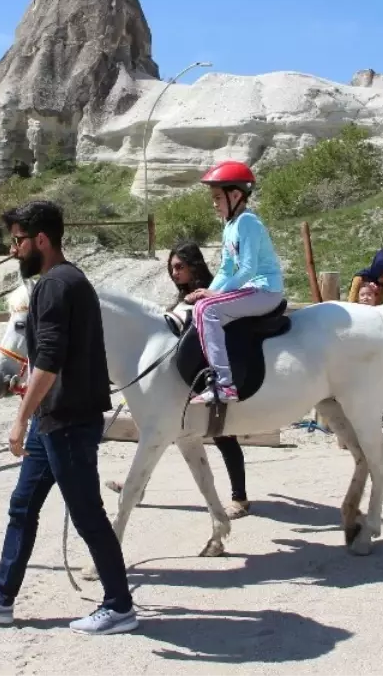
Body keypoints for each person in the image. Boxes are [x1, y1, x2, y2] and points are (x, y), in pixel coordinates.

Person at [0, 200, 137, 635]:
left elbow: (49, 361)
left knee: (87, 512)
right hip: (53, 420)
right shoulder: (69, 282)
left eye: (18, 241)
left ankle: (119, 606)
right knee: (23, 505)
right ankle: (1, 598)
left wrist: (20, 417)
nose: (13, 250)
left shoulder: (55, 286)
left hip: (67, 419)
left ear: (41, 240)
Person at [105, 241, 252, 518]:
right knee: (156, 433)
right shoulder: (184, 296)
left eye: (179, 267)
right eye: (171, 268)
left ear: (194, 266)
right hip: (182, 377)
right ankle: (139, 486)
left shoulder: (209, 292)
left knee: (225, 437)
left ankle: (240, 498)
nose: (174, 273)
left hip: (208, 372)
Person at [185, 161, 286, 404]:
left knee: (207, 309)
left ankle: (224, 384)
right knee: (202, 305)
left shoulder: (247, 223)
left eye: (218, 198)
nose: (214, 203)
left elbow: (248, 269)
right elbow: (226, 268)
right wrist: (210, 291)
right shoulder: (230, 226)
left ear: (236, 195)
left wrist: (214, 298)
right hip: (250, 289)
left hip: (264, 289)